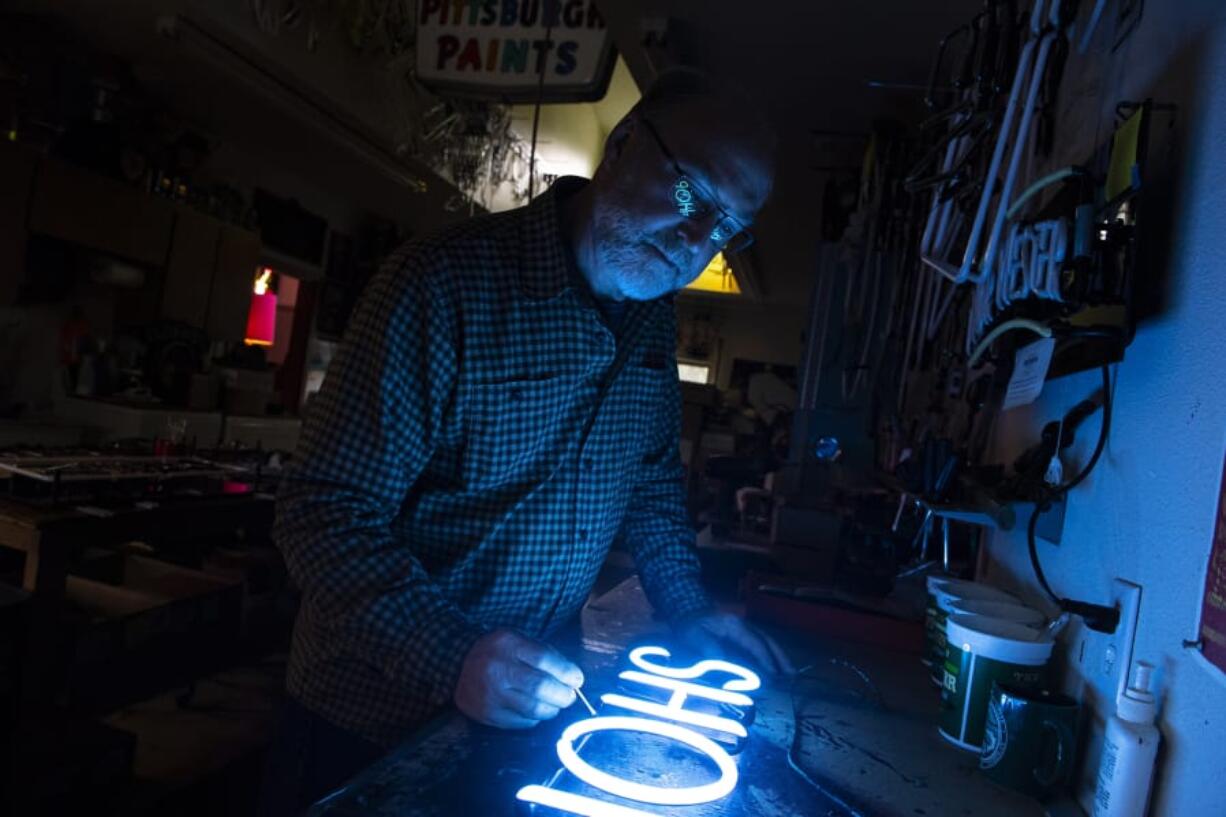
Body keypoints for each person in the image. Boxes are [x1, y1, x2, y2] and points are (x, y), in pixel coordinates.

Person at [260, 67, 791, 816]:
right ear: (624, 144)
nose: (699, 242)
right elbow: (320, 510)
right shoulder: (444, 284)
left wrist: (686, 607)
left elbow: (649, 482)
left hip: (524, 719)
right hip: (364, 724)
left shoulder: (651, 321)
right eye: (690, 194)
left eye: (729, 227)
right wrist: (452, 655)